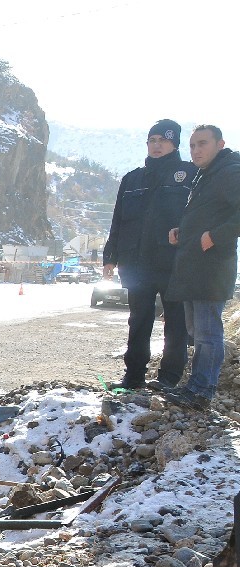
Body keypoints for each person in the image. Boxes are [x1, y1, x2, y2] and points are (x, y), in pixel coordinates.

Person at [101, 119, 195, 391]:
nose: (156, 145)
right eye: (152, 140)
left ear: (175, 144)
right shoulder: (132, 179)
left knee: (175, 324)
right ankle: (133, 377)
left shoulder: (189, 175)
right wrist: (111, 256)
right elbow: (118, 220)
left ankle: (169, 378)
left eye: (163, 141)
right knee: (138, 321)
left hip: (173, 263)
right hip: (137, 263)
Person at [163, 125, 240, 411]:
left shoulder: (230, 171)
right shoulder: (206, 174)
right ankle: (195, 385)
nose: (196, 150)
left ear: (220, 144)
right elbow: (208, 215)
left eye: (203, 144)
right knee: (198, 331)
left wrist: (215, 236)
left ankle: (202, 391)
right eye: (193, 145)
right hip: (195, 267)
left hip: (212, 267)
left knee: (208, 334)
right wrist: (182, 230)